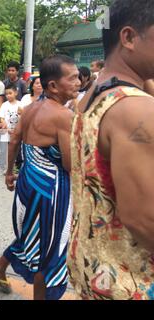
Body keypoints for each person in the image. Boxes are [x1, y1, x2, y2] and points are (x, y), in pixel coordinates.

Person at [69, 0, 154, 300]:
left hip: (96, 270)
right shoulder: (136, 109)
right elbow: (144, 218)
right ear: (128, 37)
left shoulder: (92, 95)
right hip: (134, 280)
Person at [0, 55, 80, 300]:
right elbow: (70, 164)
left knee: (31, 236)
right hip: (51, 190)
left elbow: (15, 140)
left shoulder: (30, 108)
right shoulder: (62, 116)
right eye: (73, 78)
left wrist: (9, 172)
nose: (79, 82)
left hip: (28, 182)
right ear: (53, 86)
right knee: (50, 250)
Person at [0, 84, 22, 172]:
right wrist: (7, 129)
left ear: (16, 92)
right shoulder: (4, 105)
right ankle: (4, 168)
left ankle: (15, 167)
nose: (8, 95)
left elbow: (22, 118)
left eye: (10, 93)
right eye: (6, 94)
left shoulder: (20, 104)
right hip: (5, 131)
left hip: (17, 131)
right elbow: (1, 118)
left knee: (16, 149)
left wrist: (16, 130)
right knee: (4, 149)